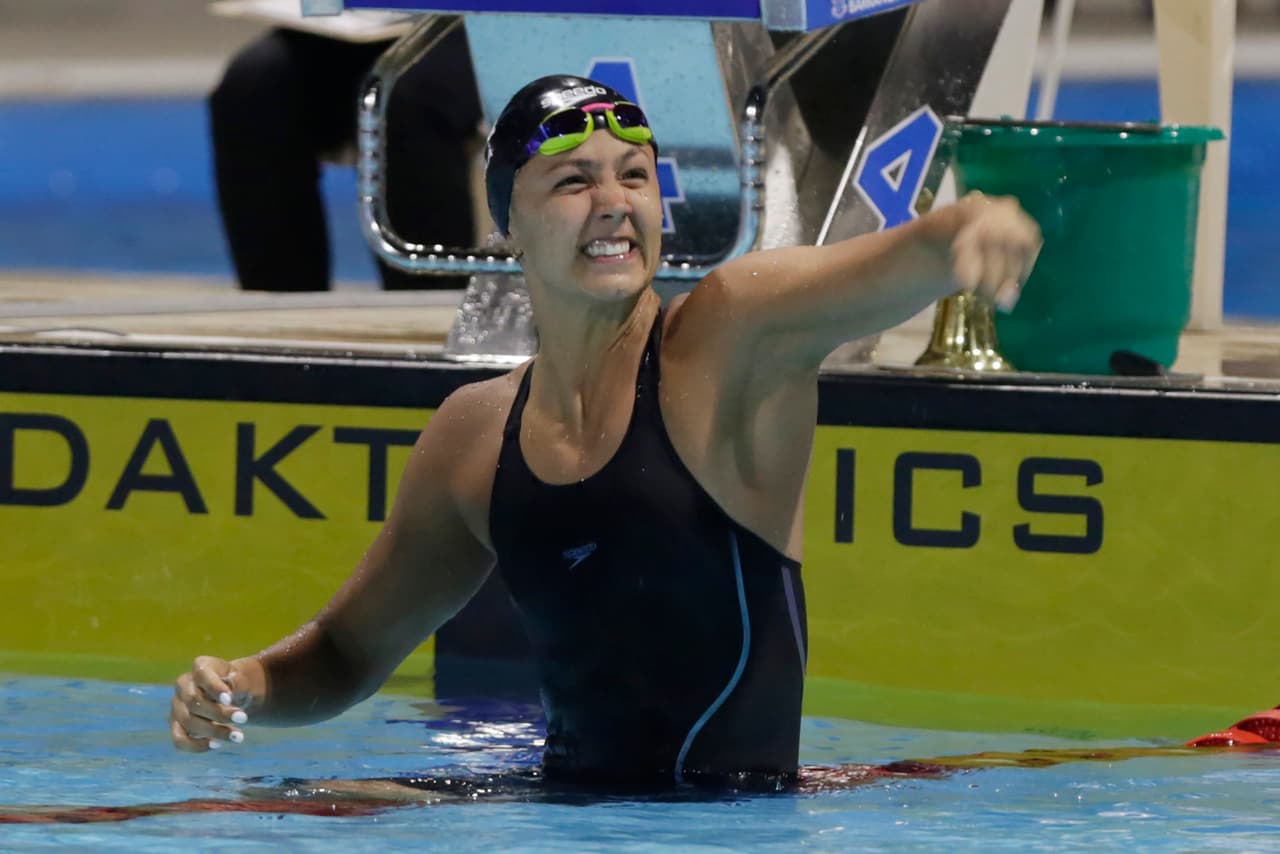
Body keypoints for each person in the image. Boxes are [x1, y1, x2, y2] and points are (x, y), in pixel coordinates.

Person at [171, 75, 1041, 787]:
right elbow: (348, 651)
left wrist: (957, 231)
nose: (614, 203)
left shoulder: (725, 347)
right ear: (508, 221)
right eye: (574, 180)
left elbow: (870, 271)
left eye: (634, 174)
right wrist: (243, 686)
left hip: (736, 826)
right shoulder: (474, 436)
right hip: (565, 815)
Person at [209, 23, 481, 291]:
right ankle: (282, 306)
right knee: (251, 86)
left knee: (402, 99)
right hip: (351, 24)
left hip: (479, 23)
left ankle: (429, 302)